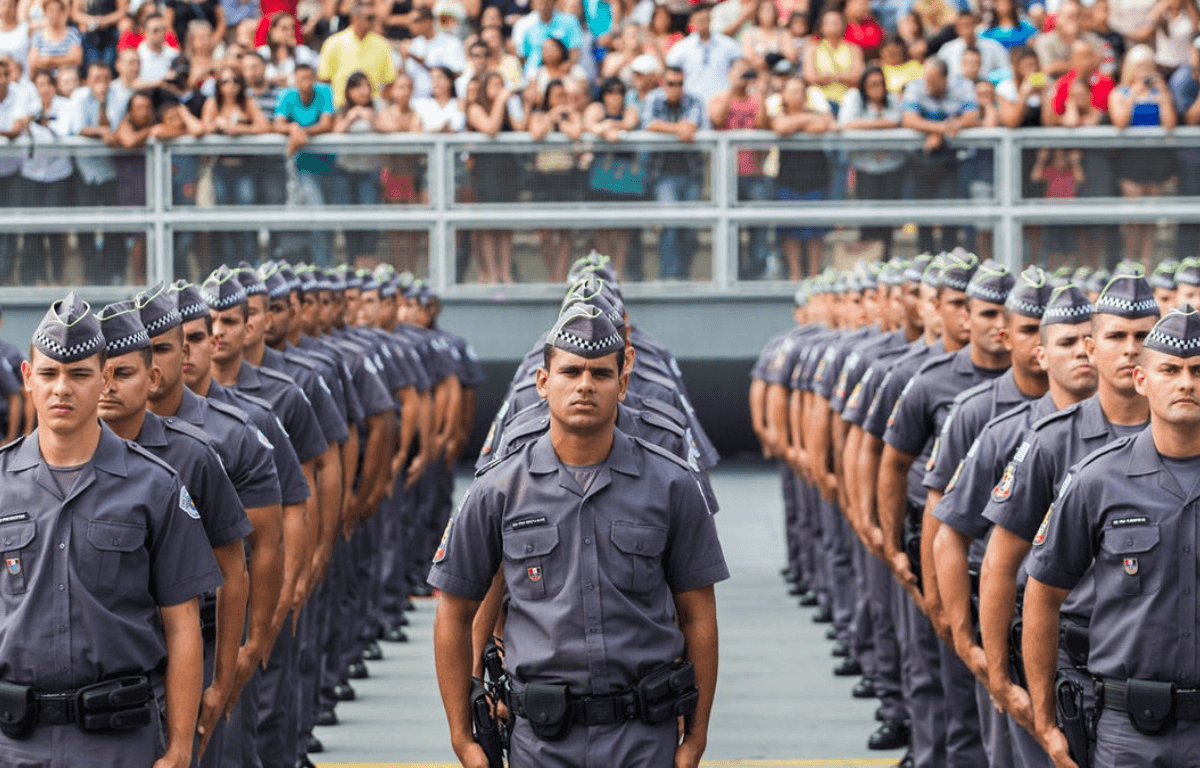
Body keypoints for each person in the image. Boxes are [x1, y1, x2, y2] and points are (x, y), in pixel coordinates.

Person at [430, 304, 727, 768]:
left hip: (643, 738)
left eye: (600, 374)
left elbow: (698, 616)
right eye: (570, 371)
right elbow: (453, 611)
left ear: (622, 384)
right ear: (543, 382)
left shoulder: (671, 484)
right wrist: (462, 737)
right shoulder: (498, 489)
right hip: (541, 742)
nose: (585, 385)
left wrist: (697, 737)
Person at [0, 292, 221, 768]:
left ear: (102, 378)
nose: (62, 389)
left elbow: (183, 624)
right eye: (49, 374)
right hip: (15, 742)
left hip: (119, 741)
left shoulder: (155, 486)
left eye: (79, 374)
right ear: (28, 379)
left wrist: (180, 747)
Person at [979, 272, 1160, 768]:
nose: (1130, 350)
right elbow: (1000, 563)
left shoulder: (1181, 438)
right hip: (1070, 666)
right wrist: (999, 675)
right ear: (1091, 346)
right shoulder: (1050, 441)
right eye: (1116, 337)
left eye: (1143, 337)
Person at [1020, 303, 1200, 768]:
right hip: (1128, 732)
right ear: (1143, 380)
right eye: (1170, 370)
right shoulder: (1097, 480)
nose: (1185, 383)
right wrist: (1044, 718)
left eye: (1198, 371)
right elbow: (1042, 594)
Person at [901, 57, 980, 254]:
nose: (927, 86)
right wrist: (939, 129)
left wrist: (941, 133)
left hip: (950, 160)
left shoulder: (962, 85)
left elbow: (972, 117)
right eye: (926, 80)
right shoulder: (916, 86)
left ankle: (948, 261)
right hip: (922, 158)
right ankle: (926, 261)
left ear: (944, 78)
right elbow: (909, 119)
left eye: (933, 81)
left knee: (949, 215)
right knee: (923, 216)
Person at [1110, 44, 1178, 266]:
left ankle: (1147, 263)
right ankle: (1130, 261)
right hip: (1131, 160)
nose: (1144, 71)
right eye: (1139, 66)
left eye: (1148, 66)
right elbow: (1119, 122)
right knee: (1133, 217)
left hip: (1156, 161)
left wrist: (1164, 94)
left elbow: (1169, 124)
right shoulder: (1120, 93)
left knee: (1151, 218)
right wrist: (1134, 94)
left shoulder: (1159, 92)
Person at [769, 74, 834, 280]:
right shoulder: (778, 115)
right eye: (792, 90)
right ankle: (795, 275)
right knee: (790, 229)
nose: (797, 94)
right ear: (784, 95)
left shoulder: (816, 112)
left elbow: (823, 125)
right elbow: (781, 127)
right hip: (788, 177)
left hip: (816, 175)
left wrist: (796, 122)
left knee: (815, 229)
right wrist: (805, 121)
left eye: (800, 90)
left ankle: (814, 275)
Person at [711, 58, 772, 279]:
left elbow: (764, 126)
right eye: (739, 72)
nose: (743, 76)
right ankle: (730, 273)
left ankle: (756, 273)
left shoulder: (756, 101)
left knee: (758, 226)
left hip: (754, 173)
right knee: (729, 230)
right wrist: (732, 90)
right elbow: (717, 121)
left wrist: (762, 95)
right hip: (728, 175)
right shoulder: (719, 98)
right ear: (729, 74)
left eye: (746, 72)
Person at [839, 64, 906, 259]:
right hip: (865, 167)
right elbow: (847, 124)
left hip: (892, 167)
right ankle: (868, 263)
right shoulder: (854, 98)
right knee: (868, 219)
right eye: (871, 84)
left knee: (887, 219)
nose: (876, 88)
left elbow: (897, 120)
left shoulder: (893, 99)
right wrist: (881, 124)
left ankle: (885, 261)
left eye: (880, 84)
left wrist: (867, 126)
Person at [643, 65, 703, 281]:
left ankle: (683, 275)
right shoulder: (653, 99)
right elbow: (649, 124)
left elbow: (694, 126)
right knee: (669, 224)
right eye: (671, 83)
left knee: (689, 229)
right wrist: (678, 129)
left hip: (691, 175)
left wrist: (667, 127)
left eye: (679, 84)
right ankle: (670, 275)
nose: (675, 88)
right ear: (662, 83)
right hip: (663, 175)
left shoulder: (694, 100)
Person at [273, 63, 336, 266]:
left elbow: (327, 124)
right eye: (301, 78)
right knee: (317, 215)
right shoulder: (287, 96)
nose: (306, 82)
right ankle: (322, 265)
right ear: (295, 80)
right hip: (305, 168)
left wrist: (301, 133)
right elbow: (278, 124)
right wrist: (293, 128)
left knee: (333, 218)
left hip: (330, 165)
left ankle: (331, 264)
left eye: (309, 77)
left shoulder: (325, 92)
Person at [466, 70, 524, 284]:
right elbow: (490, 128)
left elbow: (520, 127)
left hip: (507, 169)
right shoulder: (475, 108)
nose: (499, 89)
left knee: (506, 224)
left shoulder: (507, 106)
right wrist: (500, 100)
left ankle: (505, 271)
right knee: (489, 224)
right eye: (494, 85)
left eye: (501, 85)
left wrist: (518, 103)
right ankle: (491, 273)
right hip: (485, 171)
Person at [21, 68, 73, 287]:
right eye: (39, 84)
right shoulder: (27, 107)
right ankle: (38, 277)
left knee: (55, 229)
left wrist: (44, 123)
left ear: (54, 86)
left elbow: (62, 133)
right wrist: (29, 122)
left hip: (57, 175)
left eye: (47, 84)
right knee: (34, 230)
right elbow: (21, 132)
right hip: (32, 174)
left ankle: (57, 278)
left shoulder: (65, 106)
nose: (44, 89)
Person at [529, 77, 583, 283]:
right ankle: (552, 274)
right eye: (556, 95)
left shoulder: (572, 115)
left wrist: (564, 119)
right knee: (545, 230)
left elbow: (576, 133)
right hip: (544, 177)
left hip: (566, 176)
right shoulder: (539, 115)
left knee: (565, 230)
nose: (561, 99)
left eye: (563, 95)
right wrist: (551, 117)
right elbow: (536, 133)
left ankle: (561, 276)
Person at [332, 70, 384, 264]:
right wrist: (351, 117)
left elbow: (387, 127)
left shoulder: (378, 107)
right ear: (349, 91)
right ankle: (353, 262)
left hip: (369, 171)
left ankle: (366, 263)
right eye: (357, 86)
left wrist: (371, 117)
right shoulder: (342, 109)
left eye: (366, 86)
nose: (363, 90)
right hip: (345, 171)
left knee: (369, 219)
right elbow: (336, 130)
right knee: (349, 220)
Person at [318, 1, 396, 106]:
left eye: (373, 17)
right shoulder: (334, 43)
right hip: (341, 106)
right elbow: (324, 79)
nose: (373, 21)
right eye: (369, 17)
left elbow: (389, 81)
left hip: (372, 107)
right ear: (355, 18)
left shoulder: (382, 44)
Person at [665, 4, 741, 108]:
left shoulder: (727, 44)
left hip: (721, 104)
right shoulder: (682, 48)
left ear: (710, 20)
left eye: (705, 19)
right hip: (691, 104)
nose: (703, 23)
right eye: (699, 20)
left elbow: (743, 62)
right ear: (692, 21)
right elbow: (669, 68)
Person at [803, 7, 864, 112]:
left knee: (854, 93)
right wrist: (843, 76)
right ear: (822, 27)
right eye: (831, 22)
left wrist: (831, 76)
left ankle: (844, 123)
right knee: (812, 91)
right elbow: (810, 77)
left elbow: (859, 76)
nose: (835, 25)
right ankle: (828, 119)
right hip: (822, 96)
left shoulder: (854, 49)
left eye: (837, 22)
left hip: (846, 96)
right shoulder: (813, 48)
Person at [27, 0, 82, 75]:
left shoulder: (72, 33)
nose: (54, 14)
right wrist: (65, 60)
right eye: (51, 11)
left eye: (57, 11)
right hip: (45, 79)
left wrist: (49, 60)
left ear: (62, 13)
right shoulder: (38, 35)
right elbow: (33, 61)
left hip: (67, 77)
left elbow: (76, 59)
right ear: (45, 12)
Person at [407, 6, 465, 74]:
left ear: (428, 21)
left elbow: (456, 72)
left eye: (415, 21)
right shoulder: (413, 45)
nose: (410, 25)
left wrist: (419, 61)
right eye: (409, 22)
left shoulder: (452, 43)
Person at [137, 12, 180, 88]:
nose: (160, 34)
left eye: (162, 29)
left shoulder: (174, 54)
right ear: (145, 32)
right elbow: (131, 83)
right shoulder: (137, 55)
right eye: (155, 30)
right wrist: (159, 84)